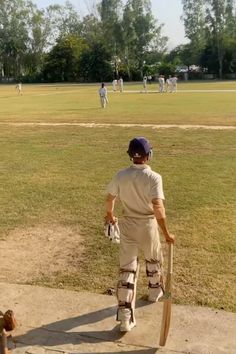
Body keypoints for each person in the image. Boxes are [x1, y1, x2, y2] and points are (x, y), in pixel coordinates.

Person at [105, 137, 175, 332]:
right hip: (148, 225)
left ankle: (125, 319)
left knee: (127, 270)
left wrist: (110, 215)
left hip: (128, 224)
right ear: (149, 155)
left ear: (130, 156)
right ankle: (154, 293)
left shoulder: (121, 175)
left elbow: (110, 198)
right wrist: (167, 233)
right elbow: (158, 207)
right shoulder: (154, 177)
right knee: (153, 260)